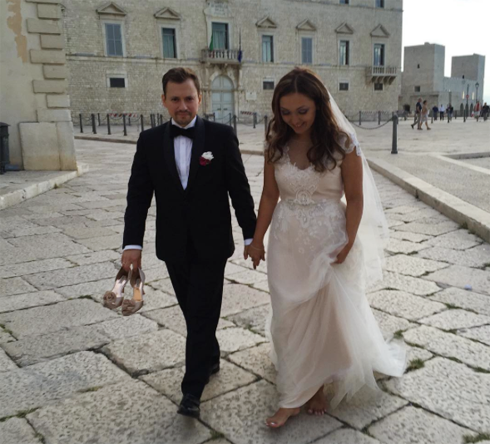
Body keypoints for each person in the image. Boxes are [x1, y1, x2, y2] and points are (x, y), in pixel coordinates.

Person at [248, 68, 406, 428]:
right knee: (288, 313)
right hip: (286, 240)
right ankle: (300, 382)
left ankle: (308, 389)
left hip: (329, 237)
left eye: (302, 111)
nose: (295, 119)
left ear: (319, 105)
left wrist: (348, 241)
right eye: (286, 112)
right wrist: (257, 240)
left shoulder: (343, 143)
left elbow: (356, 197)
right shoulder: (276, 143)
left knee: (324, 314)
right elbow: (270, 195)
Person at [121, 67, 256, 419]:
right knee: (193, 311)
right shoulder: (149, 141)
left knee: (200, 312)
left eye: (189, 98)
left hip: (212, 243)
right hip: (173, 245)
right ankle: (209, 356)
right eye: (176, 99)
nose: (183, 106)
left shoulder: (221, 137)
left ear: (200, 98)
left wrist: (251, 234)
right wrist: (131, 243)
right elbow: (138, 196)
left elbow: (239, 189)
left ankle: (192, 390)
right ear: (164, 101)